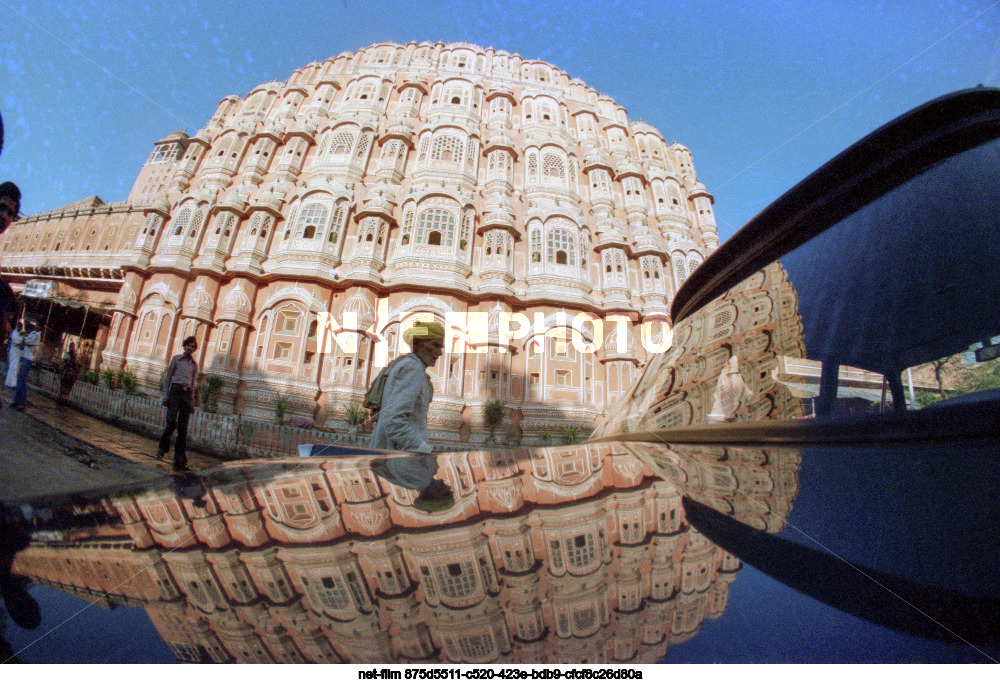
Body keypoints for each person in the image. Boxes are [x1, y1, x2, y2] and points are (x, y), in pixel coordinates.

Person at [369, 322, 452, 510]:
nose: (439, 352)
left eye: (441, 346)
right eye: (435, 345)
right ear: (417, 344)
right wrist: (424, 452)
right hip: (403, 455)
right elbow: (394, 421)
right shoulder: (412, 369)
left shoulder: (412, 367)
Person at [157, 336, 199, 471]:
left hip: (186, 395)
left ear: (194, 349)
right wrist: (165, 395)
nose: (190, 348)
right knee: (171, 423)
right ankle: (162, 447)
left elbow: (192, 385)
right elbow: (168, 377)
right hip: (175, 392)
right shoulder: (176, 359)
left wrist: (191, 402)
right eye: (188, 345)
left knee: (183, 429)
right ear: (184, 346)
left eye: (192, 347)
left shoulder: (194, 365)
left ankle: (179, 459)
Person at [11, 320, 38, 410]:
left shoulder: (37, 335)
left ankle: (22, 402)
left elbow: (27, 341)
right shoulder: (33, 333)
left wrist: (24, 339)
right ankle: (16, 400)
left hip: (28, 359)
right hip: (25, 358)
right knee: (19, 379)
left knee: (22, 381)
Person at [5, 322, 21, 391]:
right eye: (18, 327)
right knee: (12, 366)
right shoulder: (13, 333)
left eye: (20, 327)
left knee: (14, 367)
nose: (19, 328)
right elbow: (14, 341)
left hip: (18, 352)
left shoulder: (21, 334)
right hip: (13, 351)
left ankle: (11, 383)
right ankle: (12, 383)